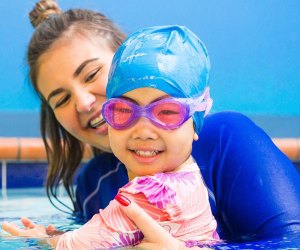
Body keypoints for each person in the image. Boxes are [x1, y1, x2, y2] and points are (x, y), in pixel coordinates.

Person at [2, 0, 300, 246]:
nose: (82, 103)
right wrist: (57, 239)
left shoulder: (228, 140)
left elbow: (292, 240)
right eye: (61, 99)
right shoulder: (91, 185)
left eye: (92, 75)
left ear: (127, 61)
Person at [3, 25, 221, 249]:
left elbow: (77, 246)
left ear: (195, 122)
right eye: (124, 111)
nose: (143, 131)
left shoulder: (148, 192)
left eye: (166, 112)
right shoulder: (94, 183)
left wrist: (45, 240)